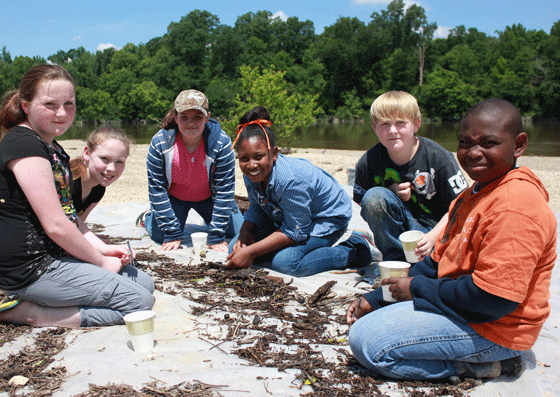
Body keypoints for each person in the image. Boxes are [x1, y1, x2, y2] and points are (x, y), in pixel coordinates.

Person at [346, 98, 557, 381]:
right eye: (465, 143)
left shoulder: (515, 205)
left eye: (489, 143)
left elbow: (495, 299)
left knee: (368, 343)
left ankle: (487, 363)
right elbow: (436, 262)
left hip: (497, 326)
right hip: (470, 307)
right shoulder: (475, 194)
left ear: (518, 145)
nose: (474, 153)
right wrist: (377, 298)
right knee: (370, 320)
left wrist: (417, 289)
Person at [0, 64, 154, 327]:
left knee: (145, 283)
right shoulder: (23, 144)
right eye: (50, 104)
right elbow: (56, 225)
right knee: (139, 302)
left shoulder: (52, 147)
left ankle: (58, 298)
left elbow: (71, 217)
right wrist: (100, 262)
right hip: (30, 268)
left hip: (56, 257)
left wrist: (105, 250)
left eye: (68, 104)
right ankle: (32, 313)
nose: (61, 113)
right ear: (26, 105)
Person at [0, 126, 133, 276]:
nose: (111, 168)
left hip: (13, 225)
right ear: (87, 154)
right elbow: (58, 231)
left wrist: (100, 247)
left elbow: (76, 224)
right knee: (32, 267)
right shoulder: (68, 181)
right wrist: (98, 252)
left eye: (119, 162)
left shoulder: (98, 189)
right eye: (105, 159)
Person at [226, 107, 353, 277]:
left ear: (274, 154)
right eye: (244, 158)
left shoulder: (290, 181)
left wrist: (252, 252)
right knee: (236, 246)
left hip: (325, 219)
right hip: (288, 216)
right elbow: (257, 205)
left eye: (259, 156)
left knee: (285, 263)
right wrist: (244, 232)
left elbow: (296, 230)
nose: (251, 165)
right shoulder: (252, 174)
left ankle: (353, 250)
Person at [353, 91, 468, 262]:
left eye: (400, 123)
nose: (392, 131)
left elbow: (462, 205)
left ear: (416, 124)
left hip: (436, 229)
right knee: (375, 197)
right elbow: (361, 202)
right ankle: (395, 258)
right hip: (398, 230)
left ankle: (425, 258)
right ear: (374, 128)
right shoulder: (368, 162)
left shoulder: (439, 158)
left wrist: (431, 237)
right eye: (384, 124)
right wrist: (389, 191)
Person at [142, 89, 243, 253]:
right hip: (175, 198)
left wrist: (216, 235)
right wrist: (172, 232)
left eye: (198, 117)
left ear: (207, 117)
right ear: (175, 117)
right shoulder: (160, 142)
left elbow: (225, 190)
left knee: (235, 232)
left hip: (210, 198)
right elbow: (157, 189)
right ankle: (148, 217)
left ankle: (212, 220)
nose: (191, 123)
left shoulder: (222, 142)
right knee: (161, 236)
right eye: (184, 117)